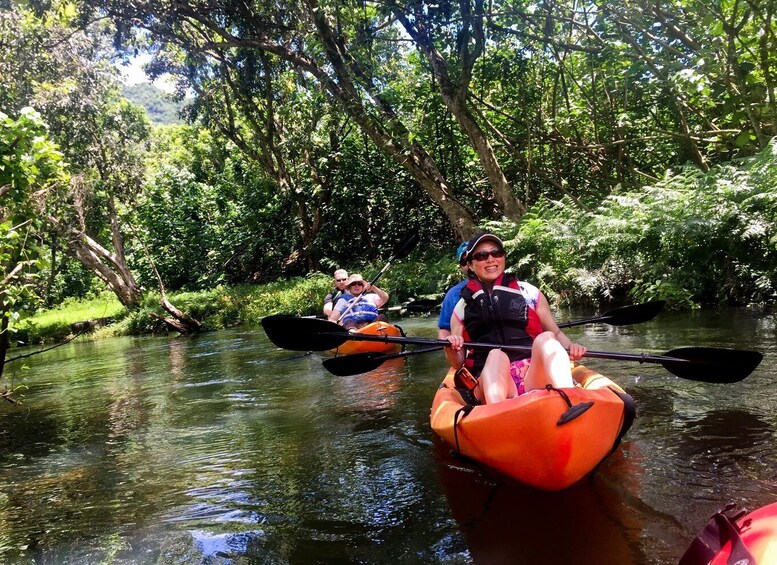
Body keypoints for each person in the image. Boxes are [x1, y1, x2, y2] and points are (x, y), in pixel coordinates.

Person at [444, 233, 587, 405]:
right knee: (496, 354)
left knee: (546, 338)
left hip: (531, 376)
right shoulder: (461, 308)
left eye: (496, 253)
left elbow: (554, 331)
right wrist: (451, 347)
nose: (490, 259)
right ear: (471, 265)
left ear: (503, 258)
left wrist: (571, 347)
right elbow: (457, 363)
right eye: (482, 256)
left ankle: (569, 398)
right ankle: (498, 413)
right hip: (492, 379)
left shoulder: (530, 294)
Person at [437, 241, 470, 340]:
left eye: (472, 258)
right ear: (460, 267)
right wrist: (449, 346)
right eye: (464, 261)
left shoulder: (508, 285)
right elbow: (444, 329)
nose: (469, 264)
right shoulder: (453, 294)